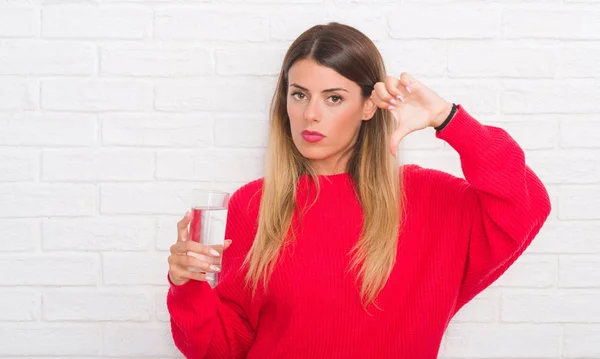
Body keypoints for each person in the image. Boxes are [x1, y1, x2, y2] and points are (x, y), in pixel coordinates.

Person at [166, 22, 551, 359]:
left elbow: (527, 204)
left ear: (369, 106)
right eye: (299, 94)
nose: (310, 114)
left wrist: (448, 119)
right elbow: (224, 349)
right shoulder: (253, 204)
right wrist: (188, 286)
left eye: (334, 98)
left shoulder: (428, 199)